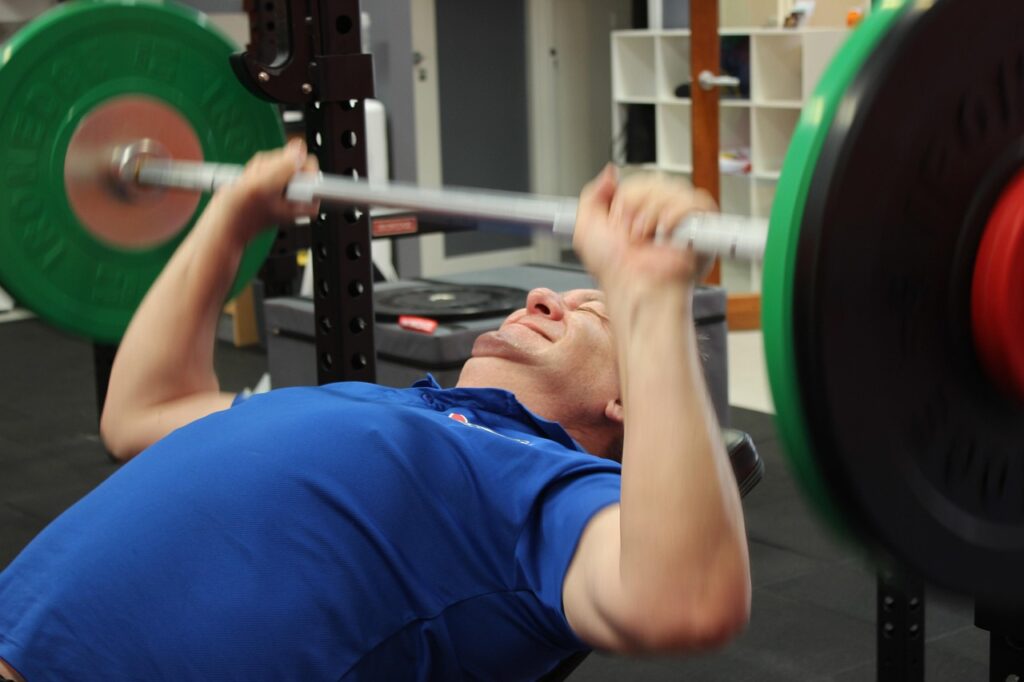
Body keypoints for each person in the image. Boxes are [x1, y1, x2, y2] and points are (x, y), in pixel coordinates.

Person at [0, 140, 750, 680]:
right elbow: (140, 411)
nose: (541, 295)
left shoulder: (546, 487)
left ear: (627, 402)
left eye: (595, 310)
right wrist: (232, 220)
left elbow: (682, 599)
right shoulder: (385, 405)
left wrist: (647, 293)